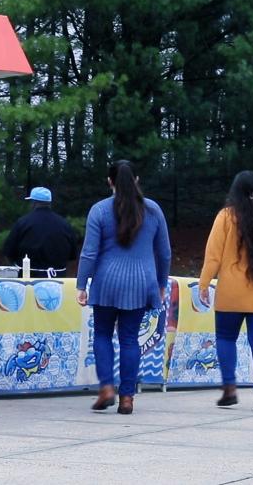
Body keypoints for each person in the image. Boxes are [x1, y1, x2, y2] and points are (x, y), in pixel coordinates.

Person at [76, 161, 170, 415]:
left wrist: (81, 284)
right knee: (130, 340)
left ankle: (106, 386)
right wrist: (161, 284)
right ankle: (127, 397)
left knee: (103, 335)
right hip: (142, 283)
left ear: (110, 182)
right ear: (137, 180)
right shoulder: (153, 211)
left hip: (107, 282)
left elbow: (89, 253)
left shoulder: (99, 210)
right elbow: (164, 254)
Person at [198, 171, 253, 412]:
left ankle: (229, 388)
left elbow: (213, 256)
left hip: (232, 290)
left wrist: (204, 283)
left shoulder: (226, 216)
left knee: (226, 338)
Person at [3, 187, 79, 277]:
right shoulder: (65, 224)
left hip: (28, 280)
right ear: (49, 203)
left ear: (34, 203)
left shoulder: (23, 222)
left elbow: (8, 252)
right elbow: (72, 256)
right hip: (57, 280)